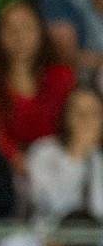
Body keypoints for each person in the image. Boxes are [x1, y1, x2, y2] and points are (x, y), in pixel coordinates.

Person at [0, 0, 75, 158]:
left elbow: (73, 126)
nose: (20, 37)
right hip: (2, 169)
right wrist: (17, 161)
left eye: (27, 28)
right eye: (11, 30)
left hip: (59, 166)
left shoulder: (62, 77)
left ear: (40, 32)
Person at [25, 83, 103, 220]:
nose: (85, 119)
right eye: (78, 112)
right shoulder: (43, 152)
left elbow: (98, 208)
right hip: (50, 236)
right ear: (65, 116)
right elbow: (52, 203)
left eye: (93, 113)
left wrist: (92, 156)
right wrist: (80, 152)